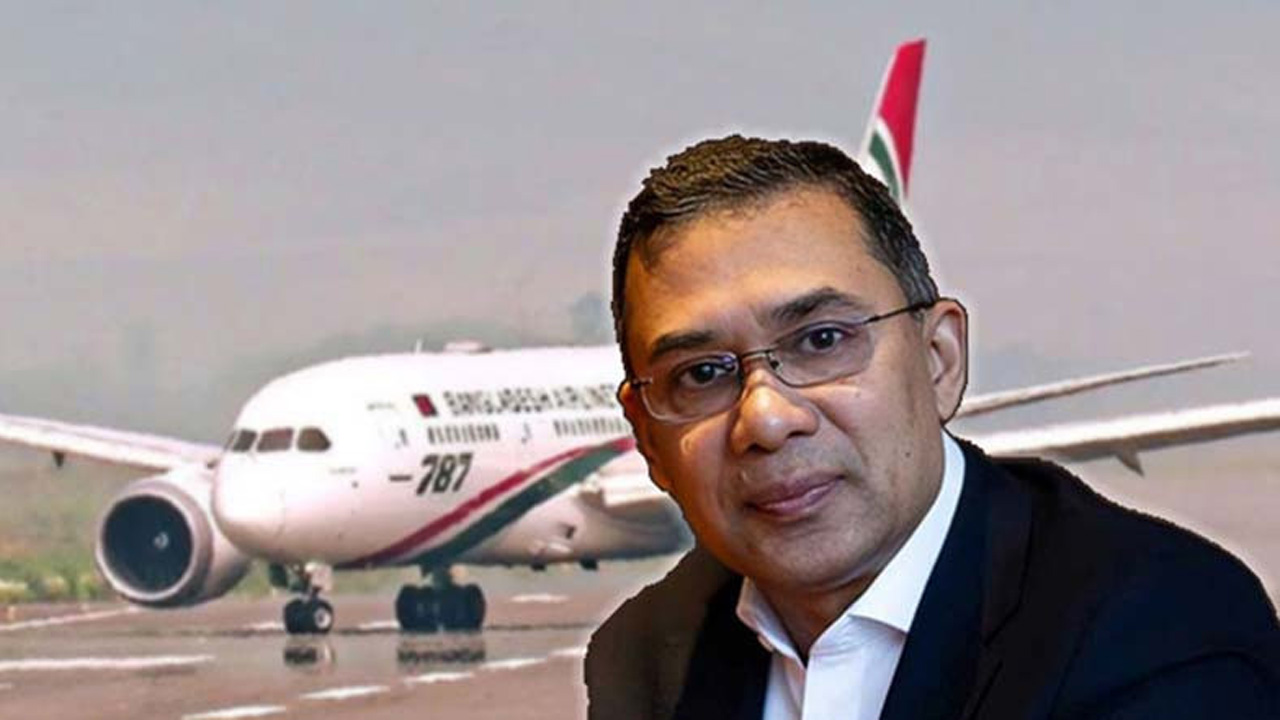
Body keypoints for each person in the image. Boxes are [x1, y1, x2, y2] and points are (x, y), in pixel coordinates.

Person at [585, 135, 1280, 720]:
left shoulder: (1159, 635)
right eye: (702, 374)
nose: (765, 419)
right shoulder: (645, 659)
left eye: (823, 340)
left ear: (940, 360)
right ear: (647, 439)